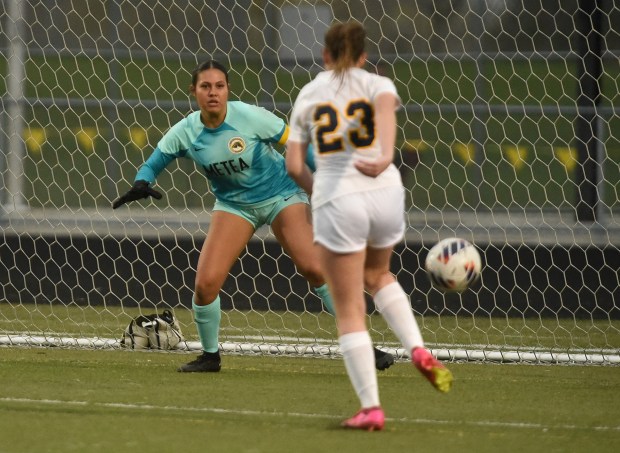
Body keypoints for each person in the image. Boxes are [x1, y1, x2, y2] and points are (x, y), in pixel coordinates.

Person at [112, 59, 394, 373]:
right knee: (205, 285)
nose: (213, 92)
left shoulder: (250, 117)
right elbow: (154, 162)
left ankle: (363, 345)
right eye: (205, 86)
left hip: (281, 196)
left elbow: (300, 148)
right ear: (194, 91)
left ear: (227, 89)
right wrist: (141, 181)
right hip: (234, 206)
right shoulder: (186, 131)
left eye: (219, 85)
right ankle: (210, 357)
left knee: (314, 267)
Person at [285, 22, 453, 431]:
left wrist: (317, 189)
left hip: (338, 195)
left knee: (349, 309)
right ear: (362, 56)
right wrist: (382, 160)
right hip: (385, 190)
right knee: (379, 274)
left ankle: (371, 408)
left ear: (324, 55)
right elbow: (385, 130)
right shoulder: (379, 83)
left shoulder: (308, 94)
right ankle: (417, 348)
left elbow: (293, 165)